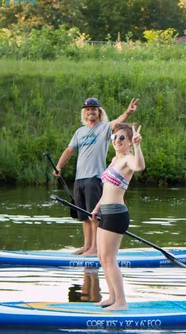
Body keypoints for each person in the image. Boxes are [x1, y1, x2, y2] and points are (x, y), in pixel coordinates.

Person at [53, 97, 139, 256]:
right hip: (80, 179)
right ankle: (87, 246)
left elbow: (118, 122)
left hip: (95, 178)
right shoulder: (79, 132)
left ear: (99, 112)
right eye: (88, 109)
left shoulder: (105, 128)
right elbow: (69, 150)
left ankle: (95, 248)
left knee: (94, 215)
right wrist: (59, 166)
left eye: (94, 109)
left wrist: (128, 112)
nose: (90, 111)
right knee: (84, 216)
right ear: (84, 113)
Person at [90, 123, 145, 310]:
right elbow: (107, 189)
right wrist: (96, 209)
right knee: (101, 256)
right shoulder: (115, 159)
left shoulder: (129, 158)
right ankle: (112, 297)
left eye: (122, 138)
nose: (117, 141)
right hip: (105, 212)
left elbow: (139, 166)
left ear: (129, 141)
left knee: (109, 258)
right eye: (115, 138)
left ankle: (121, 302)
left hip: (116, 214)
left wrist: (138, 146)